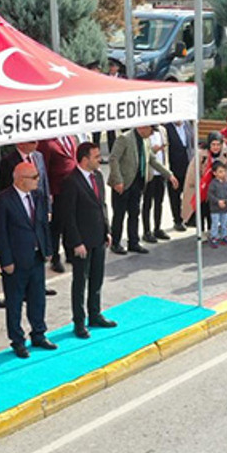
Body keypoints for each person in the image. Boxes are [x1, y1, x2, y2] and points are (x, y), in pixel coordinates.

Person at [0, 160, 56, 358]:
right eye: (34, 177)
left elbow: (43, 224)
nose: (38, 180)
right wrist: (6, 261)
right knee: (15, 301)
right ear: (20, 180)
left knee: (38, 298)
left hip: (36, 256)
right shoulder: (3, 200)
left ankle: (39, 333)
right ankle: (17, 340)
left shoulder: (37, 196)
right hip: (16, 261)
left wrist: (48, 248)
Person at [56, 142, 116, 338]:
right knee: (80, 282)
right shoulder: (71, 182)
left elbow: (102, 206)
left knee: (97, 279)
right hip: (82, 242)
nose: (100, 160)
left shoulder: (98, 176)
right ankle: (79, 322)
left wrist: (107, 230)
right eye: (96, 156)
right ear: (84, 159)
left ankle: (95, 314)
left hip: (99, 237)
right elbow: (68, 215)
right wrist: (75, 242)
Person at [38, 135, 78, 274]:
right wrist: (48, 193)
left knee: (70, 221)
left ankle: (70, 251)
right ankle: (55, 258)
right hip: (57, 190)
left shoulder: (71, 138)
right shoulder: (47, 142)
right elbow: (44, 168)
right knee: (56, 225)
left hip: (71, 188)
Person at [107, 127, 151, 255]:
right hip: (123, 184)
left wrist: (168, 175)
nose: (152, 133)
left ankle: (133, 242)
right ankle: (115, 243)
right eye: (151, 129)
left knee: (134, 213)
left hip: (137, 183)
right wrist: (118, 180)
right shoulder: (124, 138)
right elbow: (113, 159)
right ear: (143, 128)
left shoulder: (145, 140)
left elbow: (151, 159)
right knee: (119, 214)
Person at [142, 123, 173, 244]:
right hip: (149, 173)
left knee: (159, 202)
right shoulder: (143, 130)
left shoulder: (162, 130)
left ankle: (157, 228)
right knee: (147, 203)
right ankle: (146, 230)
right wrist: (152, 151)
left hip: (161, 172)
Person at [165, 121, 196, 232]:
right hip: (174, 166)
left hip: (188, 164)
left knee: (189, 192)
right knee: (175, 194)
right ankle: (177, 220)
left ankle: (189, 218)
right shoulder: (167, 128)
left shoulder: (187, 125)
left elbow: (191, 144)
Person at [207, 161, 227, 247]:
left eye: (224, 171)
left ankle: (224, 236)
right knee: (215, 223)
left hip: (225, 208)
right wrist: (218, 201)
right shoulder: (213, 184)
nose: (223, 173)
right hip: (215, 209)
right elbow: (210, 195)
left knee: (224, 223)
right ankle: (214, 237)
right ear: (214, 173)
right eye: (220, 172)